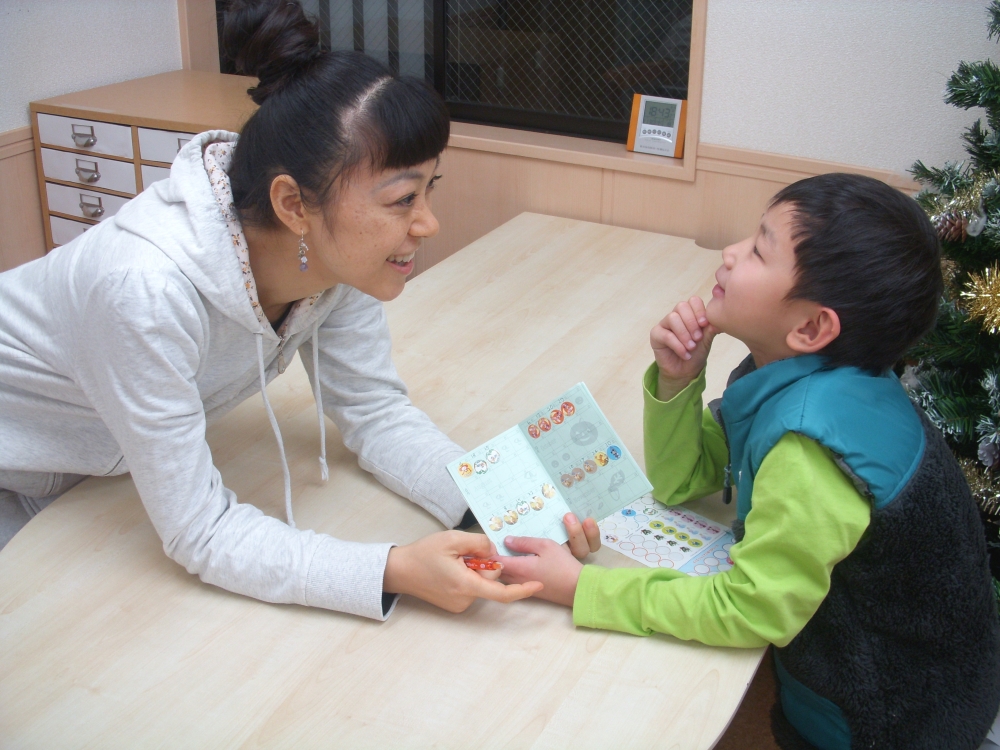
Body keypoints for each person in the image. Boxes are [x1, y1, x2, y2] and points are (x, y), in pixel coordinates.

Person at [0, 0, 599, 619]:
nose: (428, 222)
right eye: (400, 200)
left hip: (98, 475)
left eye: (429, 189)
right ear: (292, 204)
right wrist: (395, 569)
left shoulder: (328, 260)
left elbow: (373, 411)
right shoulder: (143, 291)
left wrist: (507, 515)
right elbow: (201, 533)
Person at [498, 173, 1000, 749]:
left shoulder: (811, 453)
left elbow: (751, 610)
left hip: (885, 722)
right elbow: (684, 479)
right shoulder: (797, 373)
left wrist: (584, 590)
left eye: (760, 250)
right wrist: (677, 378)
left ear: (811, 327)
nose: (730, 255)